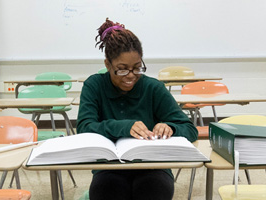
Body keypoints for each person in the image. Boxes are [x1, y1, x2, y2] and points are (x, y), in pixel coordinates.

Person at [77, 18, 198, 200]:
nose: (131, 76)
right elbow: (84, 127)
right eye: (122, 69)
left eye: (137, 68)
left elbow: (189, 129)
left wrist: (171, 128)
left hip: (153, 167)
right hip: (109, 168)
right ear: (108, 65)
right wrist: (125, 127)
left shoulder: (153, 88)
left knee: (152, 193)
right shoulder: (94, 85)